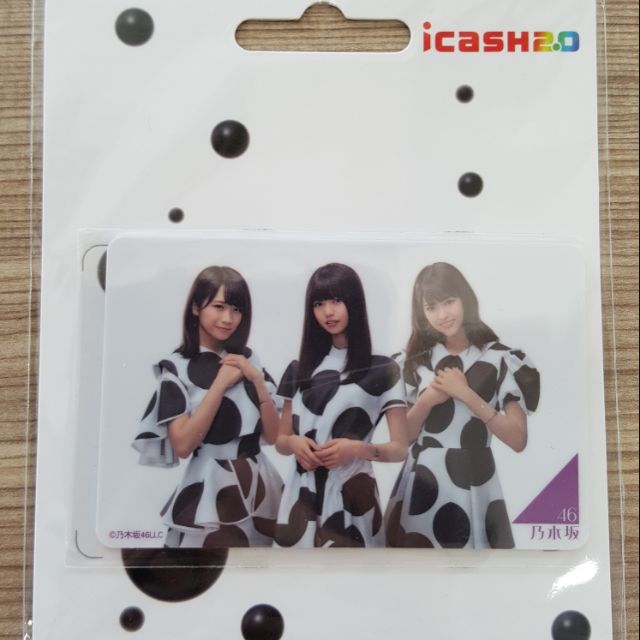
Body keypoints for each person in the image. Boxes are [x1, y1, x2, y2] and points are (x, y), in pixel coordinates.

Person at [385, 262, 540, 549]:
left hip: (476, 479)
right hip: (421, 482)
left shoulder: (502, 359)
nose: (443, 315)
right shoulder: (411, 362)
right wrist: (428, 399)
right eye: (431, 307)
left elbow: (518, 440)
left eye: (449, 301)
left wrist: (466, 394)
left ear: (464, 298)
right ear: (421, 313)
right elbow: (401, 440)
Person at [132, 266, 282, 548]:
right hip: (207, 486)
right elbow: (183, 446)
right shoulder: (175, 367)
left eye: (236, 309)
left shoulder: (249, 359)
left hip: (258, 481)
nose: (228, 319)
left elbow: (273, 437)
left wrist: (256, 380)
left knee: (257, 565)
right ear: (195, 307)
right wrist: (220, 384)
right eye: (218, 306)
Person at [275, 263, 408, 548]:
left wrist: (357, 449)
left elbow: (400, 449)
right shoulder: (298, 368)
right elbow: (281, 441)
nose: (327, 312)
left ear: (354, 302)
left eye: (336, 300)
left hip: (354, 489)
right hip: (302, 491)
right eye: (318, 304)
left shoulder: (383, 368)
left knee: (355, 571)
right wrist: (296, 444)